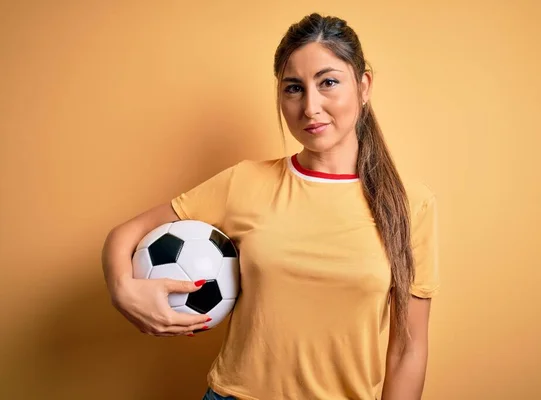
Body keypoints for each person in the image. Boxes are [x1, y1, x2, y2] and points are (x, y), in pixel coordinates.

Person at [102, 13, 440, 400]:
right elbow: (123, 236)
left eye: (328, 82)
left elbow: (408, 350)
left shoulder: (410, 204)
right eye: (294, 88)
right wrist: (121, 289)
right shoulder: (244, 183)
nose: (310, 106)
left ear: (363, 85)